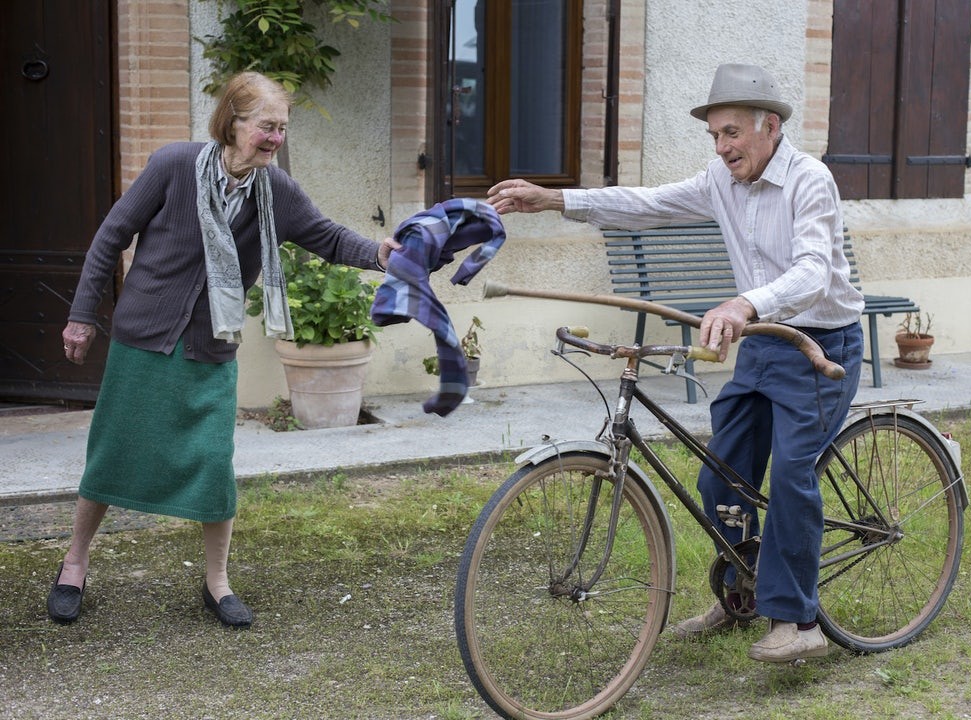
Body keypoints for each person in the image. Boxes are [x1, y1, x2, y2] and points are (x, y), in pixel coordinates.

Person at [487, 63, 864, 663]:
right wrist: (554, 198)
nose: (722, 147)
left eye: (733, 133)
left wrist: (745, 301)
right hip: (765, 342)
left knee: (792, 476)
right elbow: (647, 203)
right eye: (715, 135)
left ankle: (799, 622)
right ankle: (743, 590)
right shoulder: (721, 179)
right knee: (720, 476)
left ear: (770, 127)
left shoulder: (809, 180)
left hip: (820, 346)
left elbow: (815, 271)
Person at [48, 71, 398, 628]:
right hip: (144, 339)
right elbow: (110, 237)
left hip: (211, 345)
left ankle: (217, 582)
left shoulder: (275, 189)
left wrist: (382, 253)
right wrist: (81, 315)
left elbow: (328, 237)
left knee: (214, 465)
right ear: (232, 123)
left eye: (282, 127)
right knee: (112, 453)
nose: (276, 138)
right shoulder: (172, 166)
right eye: (266, 126)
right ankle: (74, 562)